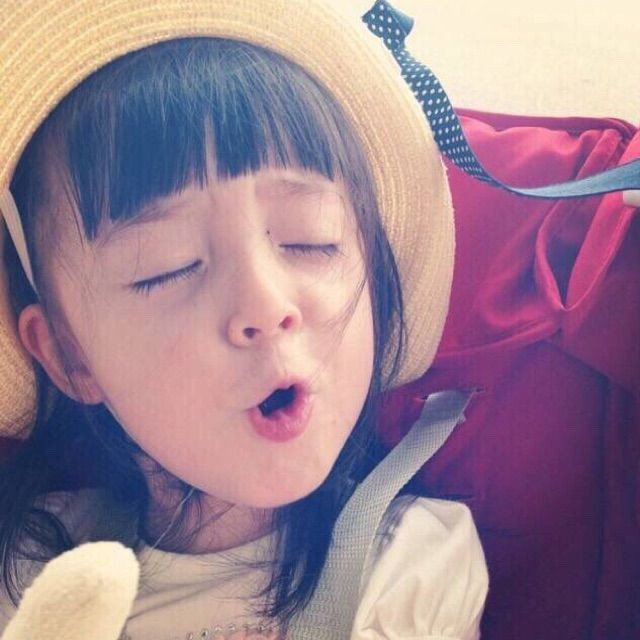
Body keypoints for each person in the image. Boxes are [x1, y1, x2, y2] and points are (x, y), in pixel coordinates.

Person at [0, 1, 488, 638]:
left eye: (311, 239)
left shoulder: (411, 567)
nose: (264, 304)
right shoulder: (32, 566)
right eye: (168, 266)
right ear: (71, 356)